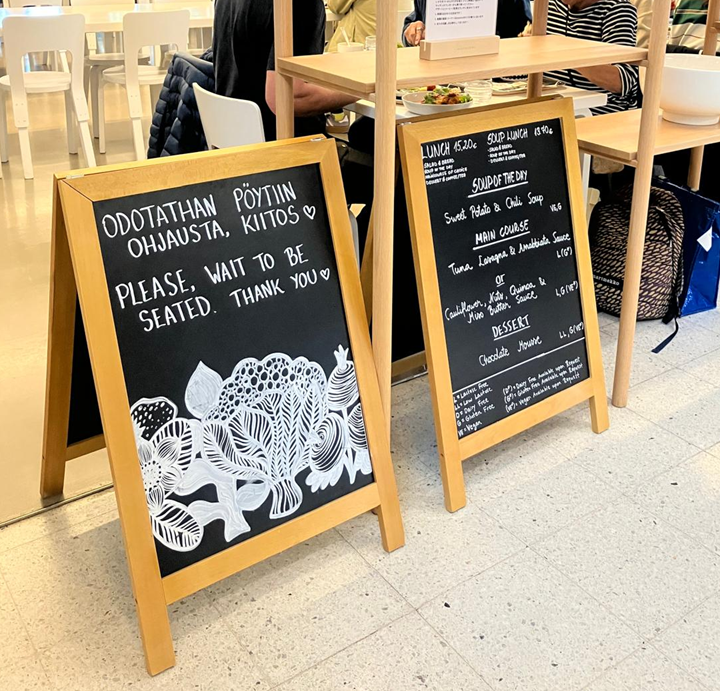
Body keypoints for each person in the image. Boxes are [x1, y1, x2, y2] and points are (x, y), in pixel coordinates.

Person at [213, 0, 356, 141]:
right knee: (360, 136)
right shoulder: (297, 4)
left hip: (232, 138)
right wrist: (358, 90)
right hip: (278, 145)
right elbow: (288, 97)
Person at [545, 0, 640, 114]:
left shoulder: (617, 10)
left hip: (598, 112)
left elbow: (621, 82)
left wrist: (565, 53)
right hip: (549, 107)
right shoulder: (548, 5)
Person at [403, 0, 533, 45]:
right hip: (441, 84)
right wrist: (411, 31)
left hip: (499, 82)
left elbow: (526, 29)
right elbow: (415, 21)